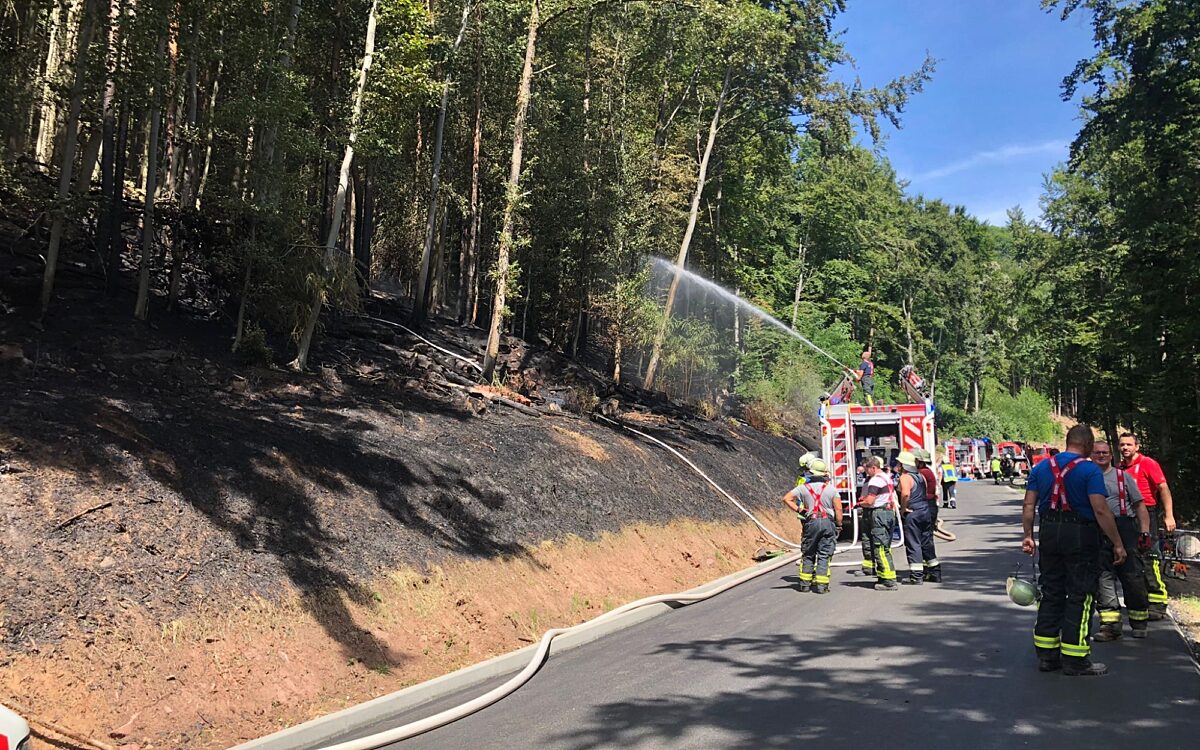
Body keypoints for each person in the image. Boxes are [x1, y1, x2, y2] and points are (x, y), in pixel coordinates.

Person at [1021, 425, 1126, 676]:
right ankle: (1075, 658)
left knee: (1052, 591)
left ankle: (1047, 655)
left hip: (1049, 532)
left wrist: (1027, 535)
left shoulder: (1041, 468)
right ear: (1088, 444)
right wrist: (1118, 542)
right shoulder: (1089, 470)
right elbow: (1100, 509)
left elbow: (1028, 504)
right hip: (1079, 534)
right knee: (1081, 593)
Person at [1090, 442, 1151, 641]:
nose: (1101, 455)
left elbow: (1139, 505)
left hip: (1125, 527)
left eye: (1104, 453)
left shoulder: (1122, 477)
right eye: (1097, 452)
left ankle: (1139, 621)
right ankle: (1110, 625)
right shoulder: (1087, 476)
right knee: (1103, 577)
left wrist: (1144, 531)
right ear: (1091, 454)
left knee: (1132, 575)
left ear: (1111, 455)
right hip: (1097, 529)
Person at [1117, 433, 1176, 620]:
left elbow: (1163, 488)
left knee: (1149, 557)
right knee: (1133, 560)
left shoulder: (1148, 463)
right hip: (1126, 516)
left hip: (1147, 514)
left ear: (1137, 446)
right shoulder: (1120, 468)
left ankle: (1158, 603)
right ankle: (1140, 601)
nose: (1125, 448)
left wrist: (1169, 515)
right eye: (1122, 445)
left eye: (1129, 444)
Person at [781, 460, 843, 594]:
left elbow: (786, 498)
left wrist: (800, 510)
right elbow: (838, 508)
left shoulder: (803, 488)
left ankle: (804, 585)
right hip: (827, 521)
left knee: (808, 553)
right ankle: (822, 586)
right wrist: (839, 524)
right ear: (824, 474)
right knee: (824, 554)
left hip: (811, 521)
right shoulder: (831, 489)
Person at [899, 451, 940, 584]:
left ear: (904, 465)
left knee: (913, 543)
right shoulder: (920, 476)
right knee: (926, 541)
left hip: (913, 512)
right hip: (925, 511)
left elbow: (905, 494)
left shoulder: (905, 477)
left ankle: (916, 576)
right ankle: (935, 572)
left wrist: (903, 509)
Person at [859, 456, 898, 591]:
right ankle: (883, 576)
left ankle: (889, 581)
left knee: (880, 548)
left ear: (873, 468)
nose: (866, 473)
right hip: (888, 512)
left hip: (878, 513)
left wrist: (859, 503)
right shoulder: (887, 477)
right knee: (885, 546)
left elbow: (870, 501)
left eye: (867, 470)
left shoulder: (875, 480)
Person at [914, 448, 940, 528]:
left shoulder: (922, 473)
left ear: (920, 462)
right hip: (929, 506)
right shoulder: (926, 471)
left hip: (925, 506)